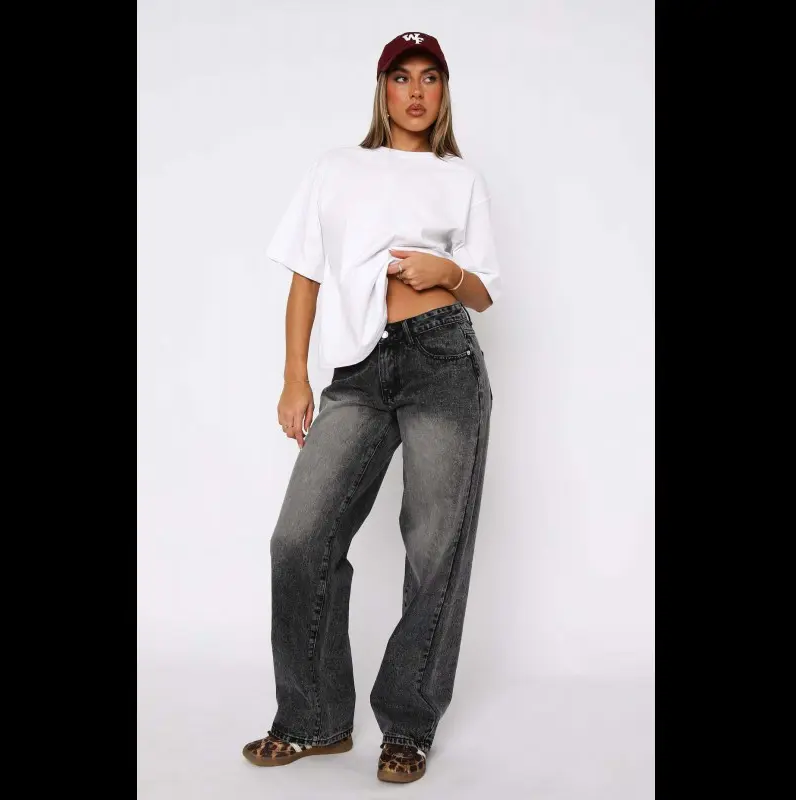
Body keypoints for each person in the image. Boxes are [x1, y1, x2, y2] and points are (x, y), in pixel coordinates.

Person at [242, 31, 502, 784]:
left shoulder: (460, 179)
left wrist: (447, 270)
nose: (416, 92)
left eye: (430, 78)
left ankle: (408, 726)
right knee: (299, 539)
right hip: (357, 367)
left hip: (443, 359)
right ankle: (313, 719)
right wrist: (294, 376)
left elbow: (484, 290)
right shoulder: (336, 168)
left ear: (443, 92)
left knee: (434, 547)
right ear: (382, 89)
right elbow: (306, 276)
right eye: (401, 77)